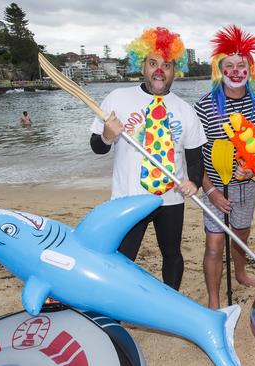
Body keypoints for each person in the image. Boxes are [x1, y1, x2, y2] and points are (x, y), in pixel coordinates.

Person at [89, 27, 207, 291]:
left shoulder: (185, 110)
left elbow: (195, 157)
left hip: (171, 198)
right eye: (153, 63)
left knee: (172, 254)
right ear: (141, 65)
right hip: (129, 196)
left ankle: (170, 300)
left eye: (166, 65)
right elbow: (97, 147)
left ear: (176, 69)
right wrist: (108, 135)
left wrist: (195, 182)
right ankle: (117, 309)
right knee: (122, 257)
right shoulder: (118, 98)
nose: (159, 70)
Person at [194, 25, 255, 309]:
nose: (236, 71)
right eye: (230, 65)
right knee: (214, 244)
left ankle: (240, 273)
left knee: (241, 234)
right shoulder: (205, 106)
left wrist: (254, 170)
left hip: (246, 185)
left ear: (250, 69)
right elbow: (195, 154)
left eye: (242, 65)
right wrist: (211, 191)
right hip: (214, 186)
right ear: (220, 69)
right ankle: (214, 300)